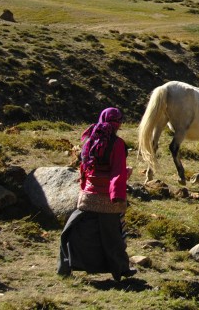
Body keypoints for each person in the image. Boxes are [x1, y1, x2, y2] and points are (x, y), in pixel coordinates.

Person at [57, 107, 137, 281]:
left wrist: (83, 187)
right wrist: (117, 196)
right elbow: (116, 172)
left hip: (88, 195)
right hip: (109, 198)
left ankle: (65, 265)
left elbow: (85, 167)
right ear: (118, 124)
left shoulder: (88, 140)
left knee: (71, 230)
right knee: (113, 238)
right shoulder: (117, 144)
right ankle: (120, 270)